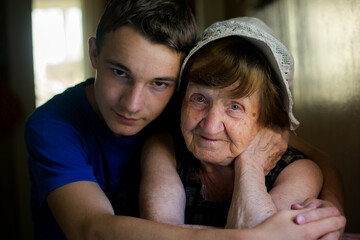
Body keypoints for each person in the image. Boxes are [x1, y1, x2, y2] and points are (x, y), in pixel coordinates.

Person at [24, 0, 345, 239]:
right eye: (119, 72)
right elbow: (90, 229)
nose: (134, 104)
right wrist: (253, 238)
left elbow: (311, 154)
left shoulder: (183, 106)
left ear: (177, 82)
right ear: (94, 54)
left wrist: (330, 214)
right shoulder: (53, 126)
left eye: (159, 82)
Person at [139, 16, 345, 234]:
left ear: (266, 120)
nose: (210, 126)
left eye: (235, 107)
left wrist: (251, 165)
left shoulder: (298, 170)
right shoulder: (163, 149)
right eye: (199, 98)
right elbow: (162, 234)